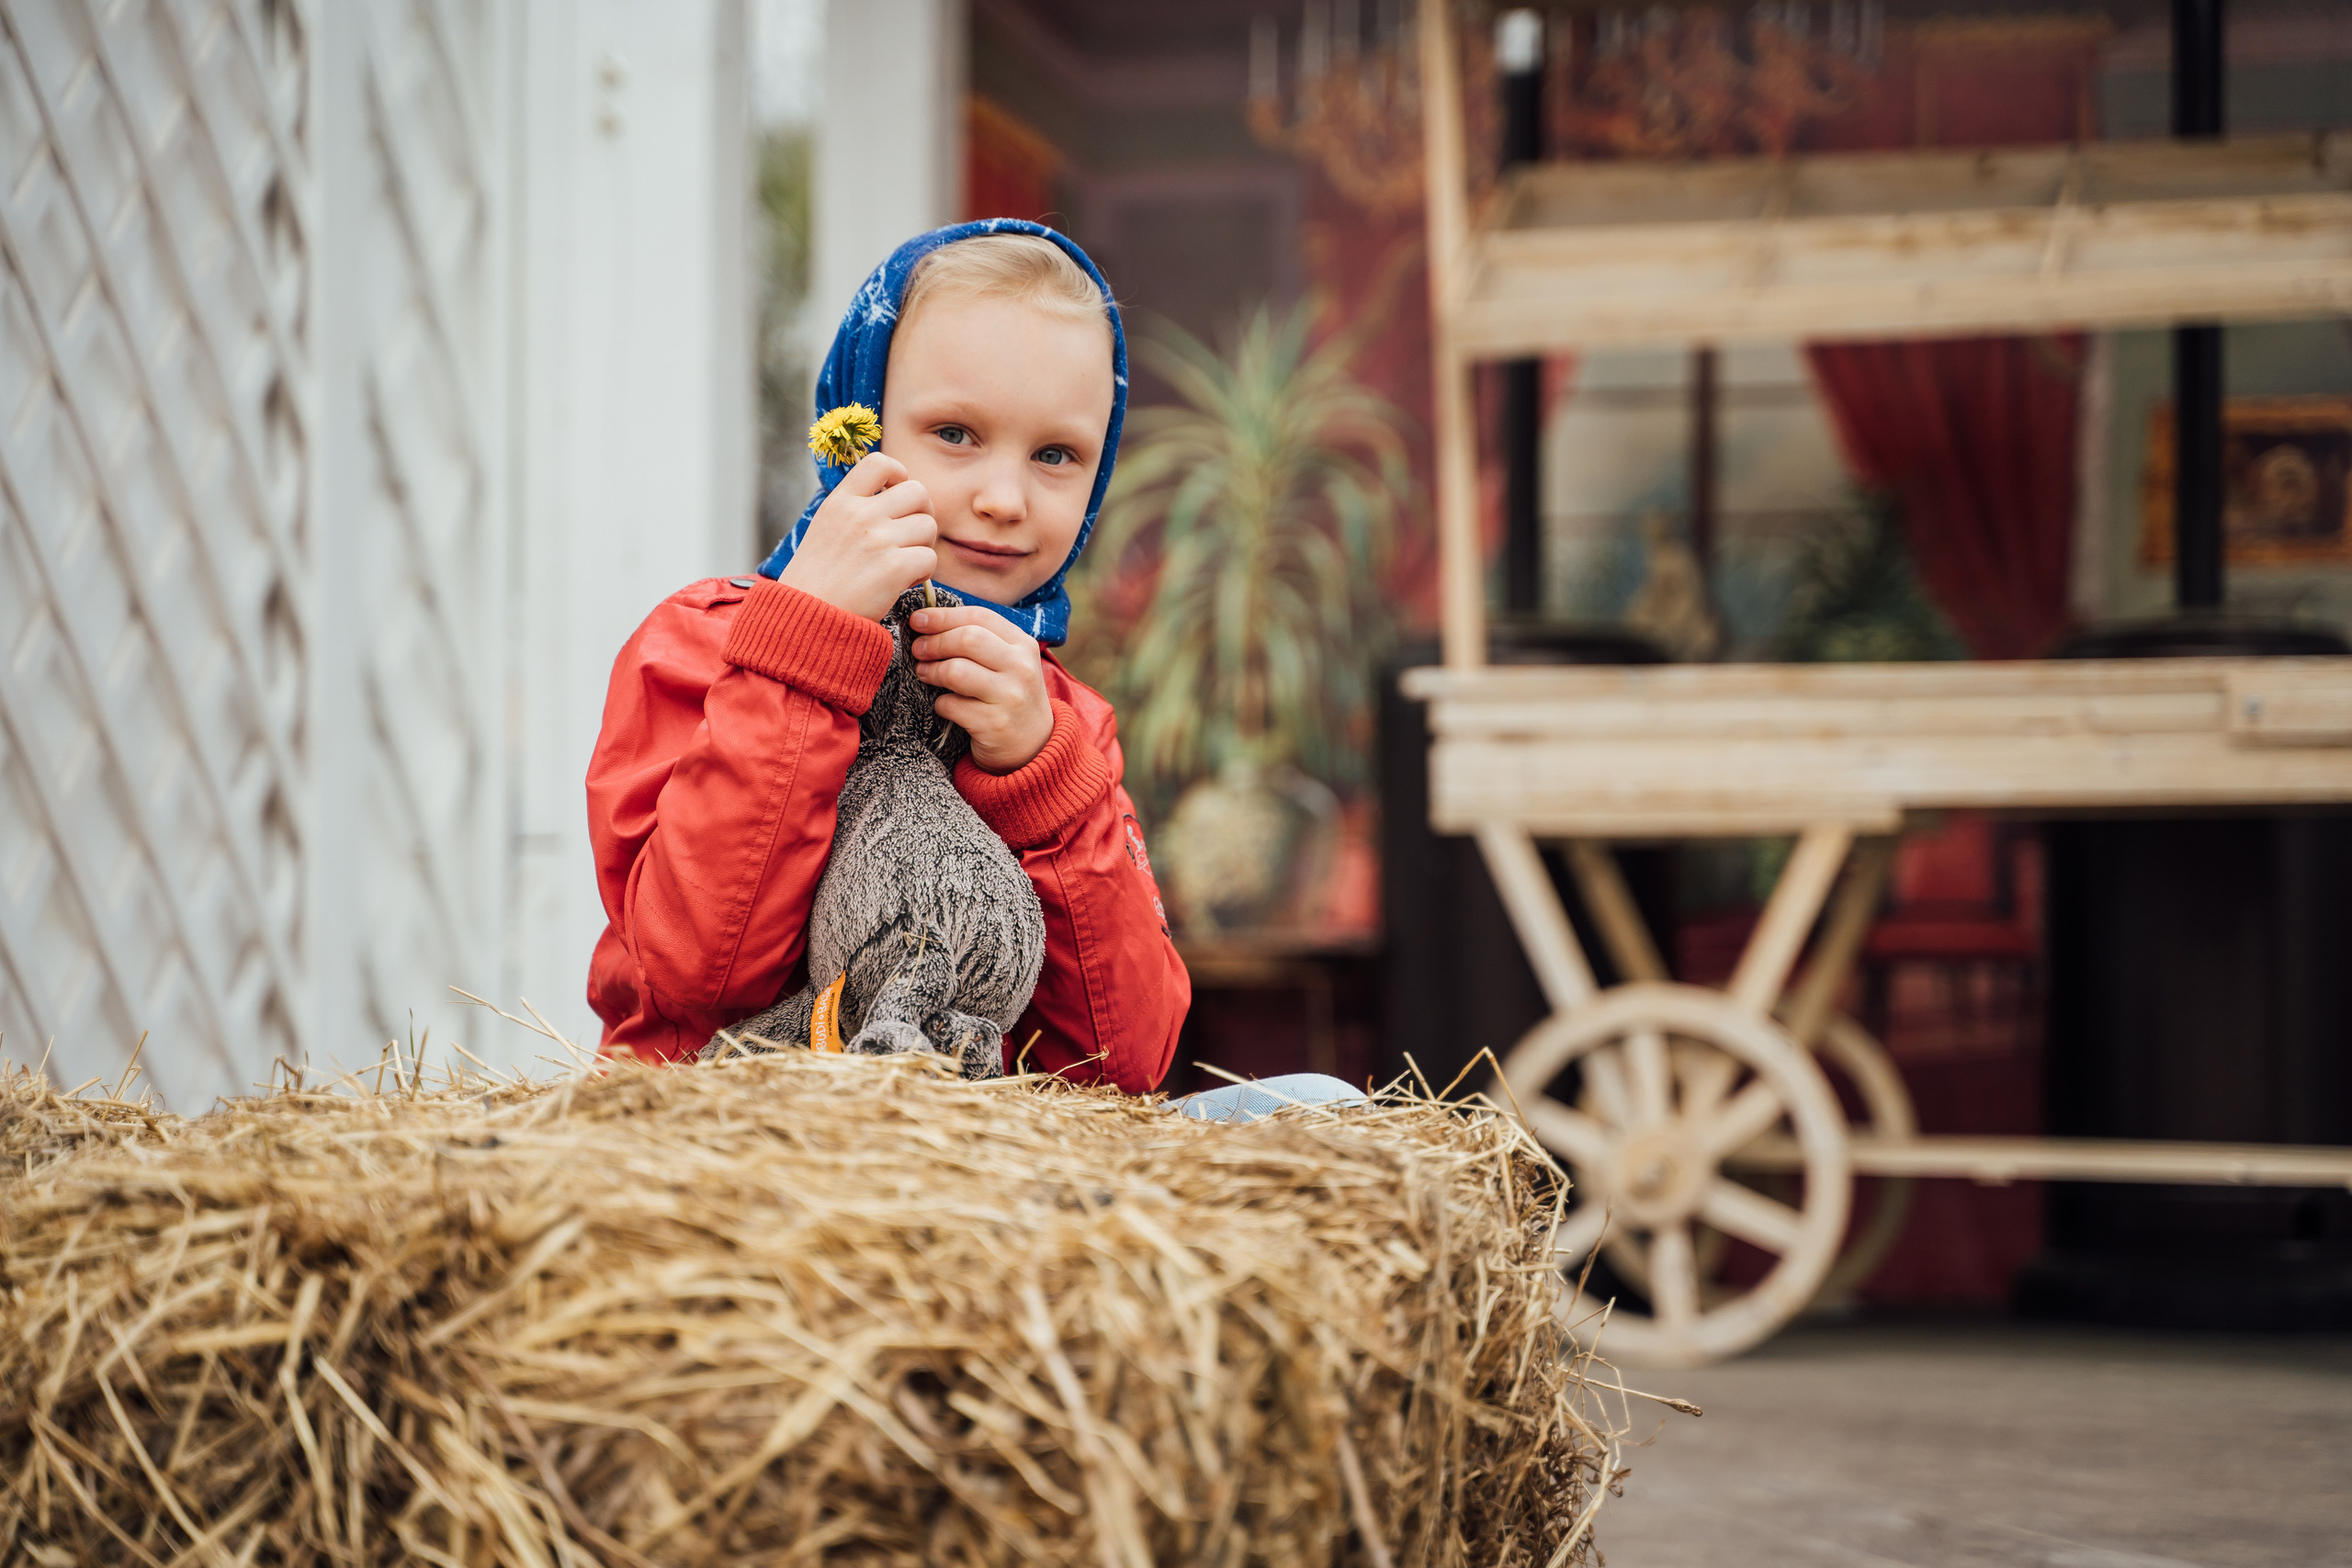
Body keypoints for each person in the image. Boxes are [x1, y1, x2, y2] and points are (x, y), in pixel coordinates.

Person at [583, 221, 1187, 1091]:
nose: (1004, 497)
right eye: (954, 433)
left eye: (1057, 454)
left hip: (971, 1173)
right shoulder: (702, 642)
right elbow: (695, 972)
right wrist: (805, 648)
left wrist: (1042, 776)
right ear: (858, 422)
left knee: (1315, 1104)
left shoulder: (1062, 720)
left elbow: (1120, 1067)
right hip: (731, 1142)